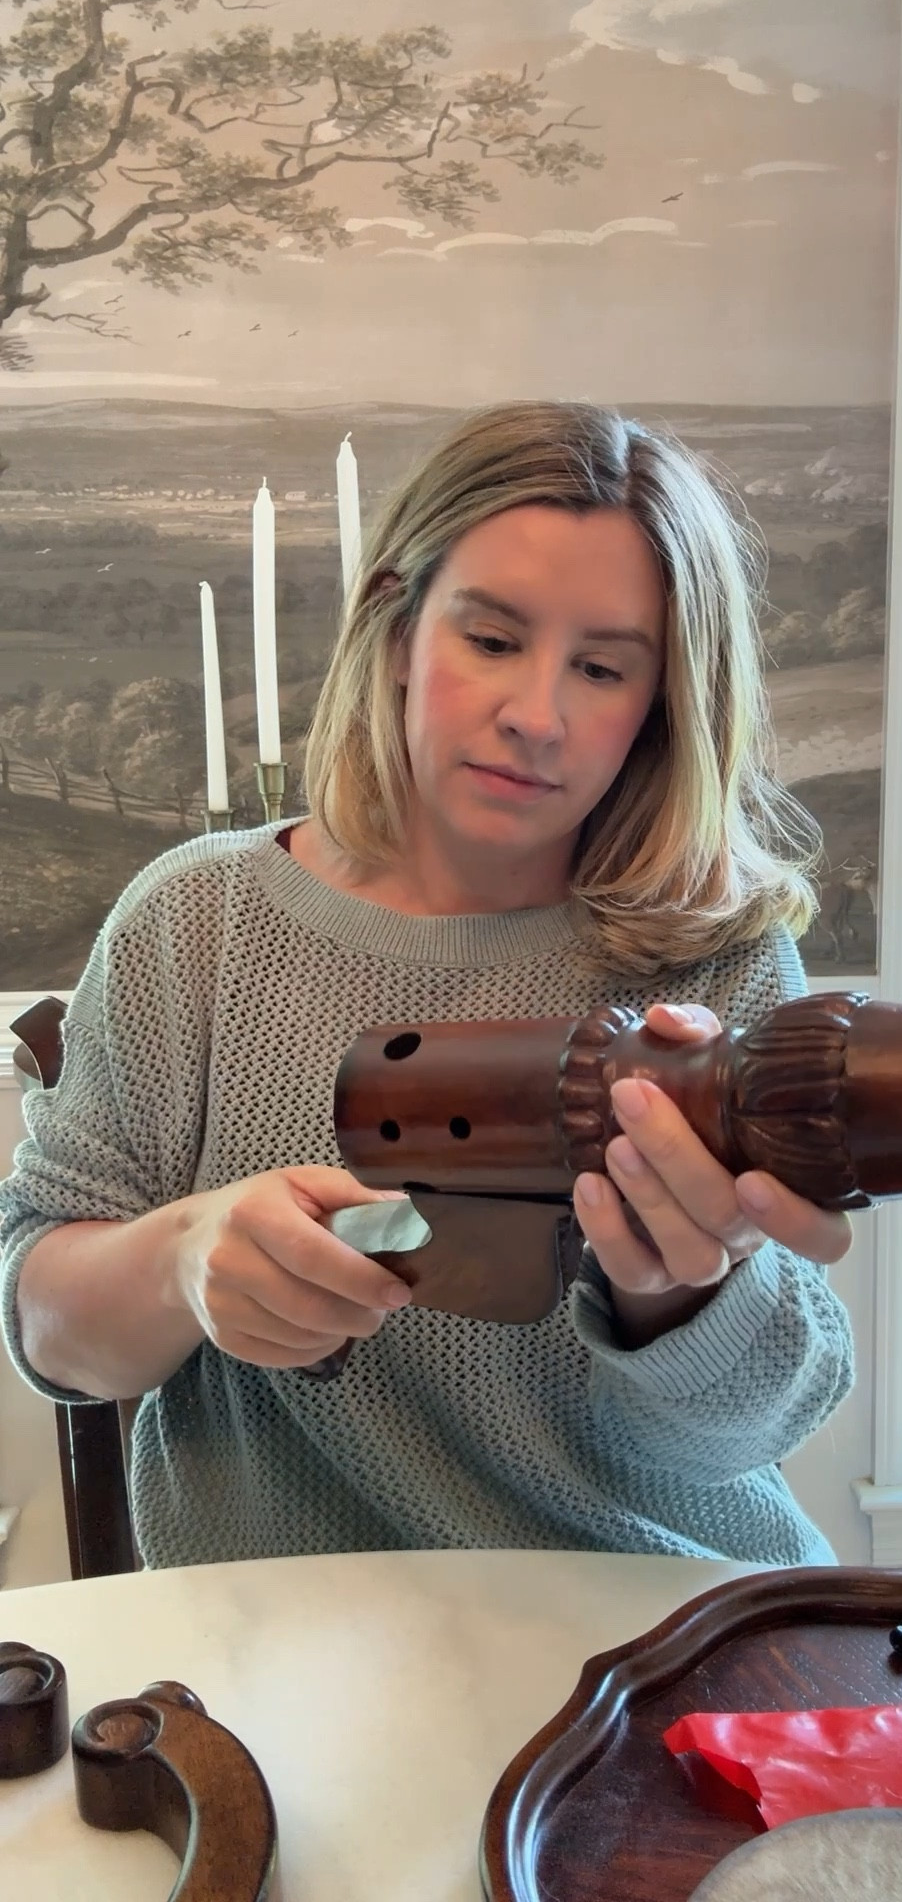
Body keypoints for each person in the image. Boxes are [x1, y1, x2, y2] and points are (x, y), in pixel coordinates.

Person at [0, 401, 854, 1571]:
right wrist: (184, 1260)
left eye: (601, 668)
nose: (536, 716)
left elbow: (757, 1430)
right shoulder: (195, 924)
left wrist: (680, 1298)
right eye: (492, 641)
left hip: (652, 1625)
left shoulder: (713, 956)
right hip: (284, 1659)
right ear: (397, 629)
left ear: (660, 707)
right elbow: (54, 1334)